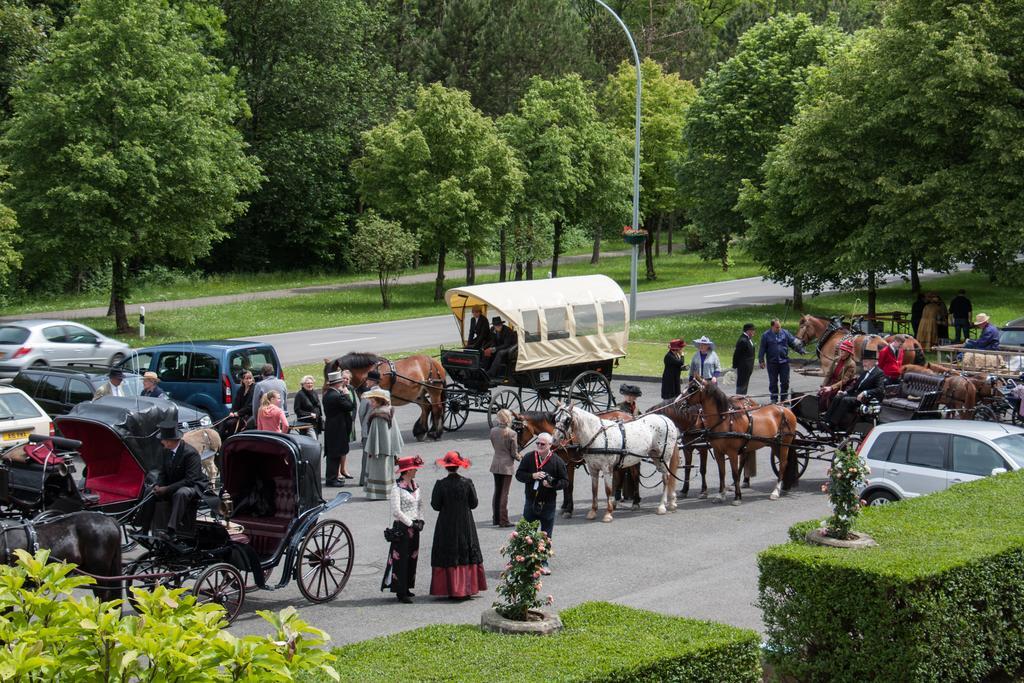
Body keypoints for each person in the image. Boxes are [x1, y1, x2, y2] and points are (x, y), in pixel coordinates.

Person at [429, 451, 487, 599]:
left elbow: (435, 505)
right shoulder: (467, 483)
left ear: (446, 467)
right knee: (465, 550)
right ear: (458, 466)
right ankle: (466, 587)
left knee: (448, 551)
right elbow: (474, 504)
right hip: (464, 521)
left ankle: (451, 588)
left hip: (446, 522)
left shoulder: (441, 484)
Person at [137, 421, 207, 539]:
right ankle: (144, 528)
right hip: (172, 485)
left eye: (163, 440)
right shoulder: (166, 451)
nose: (161, 442)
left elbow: (191, 479)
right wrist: (159, 485)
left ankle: (171, 529)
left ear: (170, 441)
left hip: (192, 487)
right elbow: (162, 473)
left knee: (181, 493)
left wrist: (167, 489)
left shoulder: (190, 453)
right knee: (150, 491)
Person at [514, 432, 568, 574]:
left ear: (550, 445)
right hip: (531, 500)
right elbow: (519, 475)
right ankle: (526, 561)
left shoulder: (557, 461)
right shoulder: (529, 457)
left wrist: (553, 485)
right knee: (527, 533)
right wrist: (532, 476)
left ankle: (543, 562)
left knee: (545, 535)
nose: (538, 446)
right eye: (537, 443)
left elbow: (565, 482)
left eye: (542, 444)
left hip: (548, 502)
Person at [382, 456, 425, 604]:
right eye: (414, 469)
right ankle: (400, 591)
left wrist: (421, 520)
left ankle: (407, 587)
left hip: (414, 527)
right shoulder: (397, 488)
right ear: (407, 470)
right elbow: (396, 511)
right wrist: (410, 523)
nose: (416, 471)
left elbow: (420, 504)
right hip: (402, 528)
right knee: (401, 560)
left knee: (412, 557)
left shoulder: (415, 485)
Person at [826, 349, 887, 429]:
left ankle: (833, 423)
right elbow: (855, 386)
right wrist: (845, 392)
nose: (863, 363)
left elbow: (880, 389)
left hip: (866, 398)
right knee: (838, 396)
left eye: (865, 361)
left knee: (845, 400)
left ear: (872, 362)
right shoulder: (865, 371)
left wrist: (865, 392)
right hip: (857, 395)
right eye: (863, 361)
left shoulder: (879, 373)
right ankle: (826, 419)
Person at [363, 387, 404, 500]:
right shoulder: (389, 410)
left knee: (378, 471)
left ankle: (377, 493)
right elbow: (394, 432)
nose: (371, 403)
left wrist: (373, 449)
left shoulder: (378, 415)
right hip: (389, 449)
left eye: (373, 401)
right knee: (387, 471)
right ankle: (388, 492)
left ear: (379, 401)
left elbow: (375, 435)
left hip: (379, 450)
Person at [758, 319, 805, 403]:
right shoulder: (765, 335)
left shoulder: (785, 333)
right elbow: (762, 349)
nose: (779, 329)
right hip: (772, 363)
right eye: (777, 327)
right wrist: (761, 360)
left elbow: (792, 343)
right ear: (772, 326)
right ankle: (774, 398)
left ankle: (784, 398)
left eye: (779, 327)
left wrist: (800, 350)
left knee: (785, 381)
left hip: (784, 362)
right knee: (773, 382)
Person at [322, 370, 355, 486]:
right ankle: (331, 479)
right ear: (337, 383)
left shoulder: (328, 394)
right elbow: (350, 406)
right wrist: (346, 394)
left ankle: (333, 477)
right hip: (337, 428)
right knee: (335, 454)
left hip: (332, 427)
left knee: (333, 453)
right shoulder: (337, 396)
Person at [489, 408, 520, 527]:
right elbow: (513, 453)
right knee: (504, 493)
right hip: (506, 466)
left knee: (497, 491)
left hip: (496, 463)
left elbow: (494, 445)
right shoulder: (512, 433)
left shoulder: (493, 431)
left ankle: (496, 518)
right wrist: (519, 457)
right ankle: (504, 520)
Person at [613, 385, 642, 506]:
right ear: (625, 396)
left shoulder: (636, 408)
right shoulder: (619, 407)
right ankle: (617, 492)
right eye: (629, 395)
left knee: (634, 471)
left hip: (634, 441)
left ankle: (631, 493)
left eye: (633, 396)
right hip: (621, 440)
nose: (631, 398)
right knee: (619, 470)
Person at [818, 339, 857, 412]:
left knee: (829, 395)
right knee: (820, 393)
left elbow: (844, 381)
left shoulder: (851, 364)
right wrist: (823, 385)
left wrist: (831, 388)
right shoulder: (836, 359)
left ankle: (828, 412)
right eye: (841, 350)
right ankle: (819, 410)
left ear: (848, 353)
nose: (841, 352)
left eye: (844, 351)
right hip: (832, 381)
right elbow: (829, 374)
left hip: (842, 385)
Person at [357, 370, 381, 488]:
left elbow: (361, 413)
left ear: (372, 381)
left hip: (368, 428)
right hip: (381, 429)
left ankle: (364, 479)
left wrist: (363, 425)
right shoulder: (385, 393)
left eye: (368, 380)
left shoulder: (366, 395)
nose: (366, 382)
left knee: (366, 455)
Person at [222, 370, 255, 436]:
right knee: (224, 422)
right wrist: (232, 411)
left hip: (248, 415)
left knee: (231, 423)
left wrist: (238, 413)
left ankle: (232, 439)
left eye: (250, 378)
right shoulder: (241, 389)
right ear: (242, 380)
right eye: (246, 379)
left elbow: (250, 406)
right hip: (239, 414)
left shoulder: (254, 389)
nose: (249, 380)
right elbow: (235, 403)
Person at [293, 375, 324, 439]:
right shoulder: (300, 395)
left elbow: (318, 406)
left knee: (315, 440)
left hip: (316, 422)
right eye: (308, 383)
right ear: (303, 384)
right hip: (306, 424)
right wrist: (310, 414)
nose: (310, 385)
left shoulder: (314, 393)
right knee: (314, 440)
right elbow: (297, 410)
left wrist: (319, 416)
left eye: (311, 383)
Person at [732, 324, 756, 395]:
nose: (754, 332)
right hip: (743, 367)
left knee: (745, 385)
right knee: (741, 385)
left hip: (748, 368)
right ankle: (739, 399)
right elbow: (737, 354)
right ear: (749, 331)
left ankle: (743, 398)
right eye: (753, 330)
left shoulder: (749, 339)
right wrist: (735, 365)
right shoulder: (743, 340)